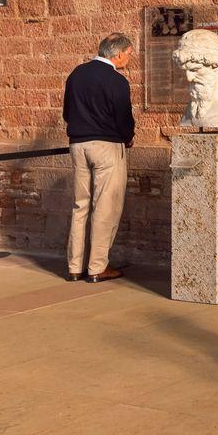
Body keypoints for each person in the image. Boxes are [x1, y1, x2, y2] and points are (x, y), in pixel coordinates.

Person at [62, 33, 135, 283]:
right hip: (106, 146)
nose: (129, 58)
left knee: (80, 205)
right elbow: (123, 117)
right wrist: (128, 137)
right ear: (117, 54)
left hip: (78, 145)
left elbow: (67, 112)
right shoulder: (116, 81)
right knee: (105, 207)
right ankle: (96, 267)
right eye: (128, 54)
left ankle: (74, 266)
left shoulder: (77, 74)